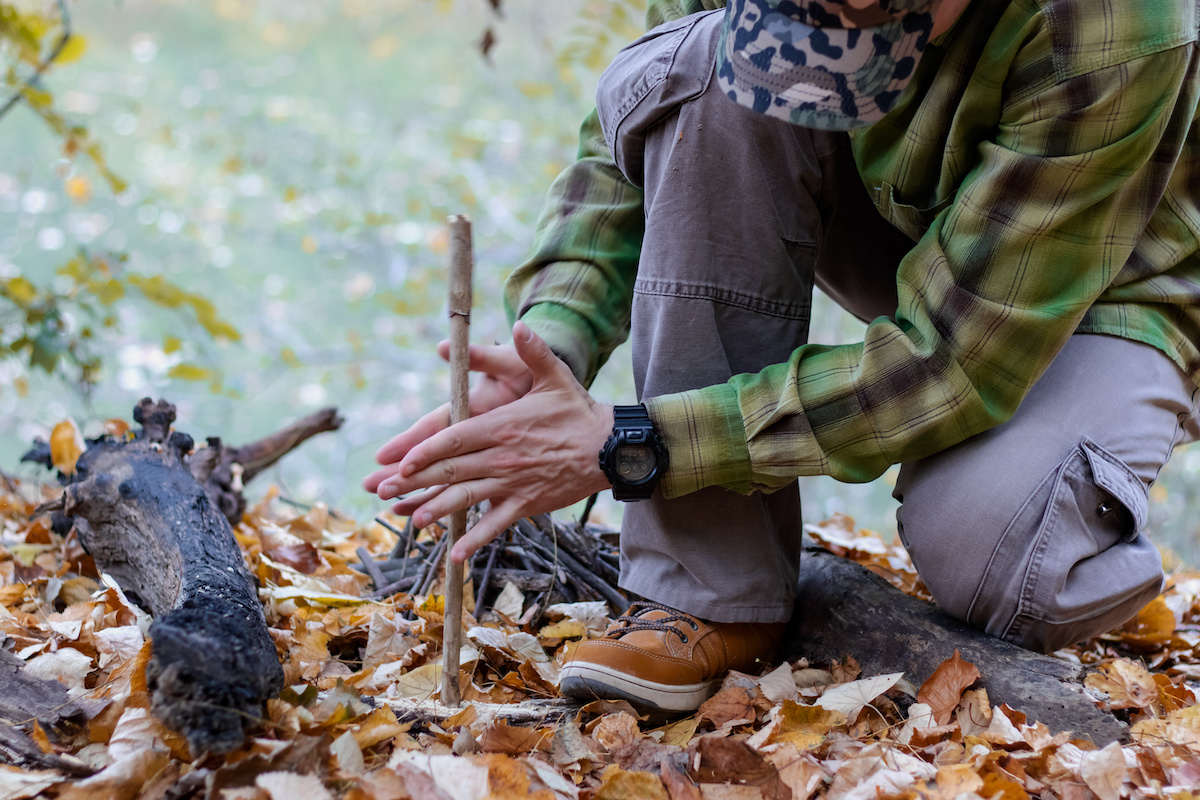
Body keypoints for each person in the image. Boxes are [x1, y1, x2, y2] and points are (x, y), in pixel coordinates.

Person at [365, 0, 1200, 714]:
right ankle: (714, 594)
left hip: (1111, 287)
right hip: (905, 227)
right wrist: (551, 343)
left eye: (872, 20)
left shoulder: (1111, 24)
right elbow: (641, 131)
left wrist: (637, 444)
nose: (840, 33)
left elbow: (951, 362)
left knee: (1001, 552)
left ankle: (1080, 478)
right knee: (705, 68)